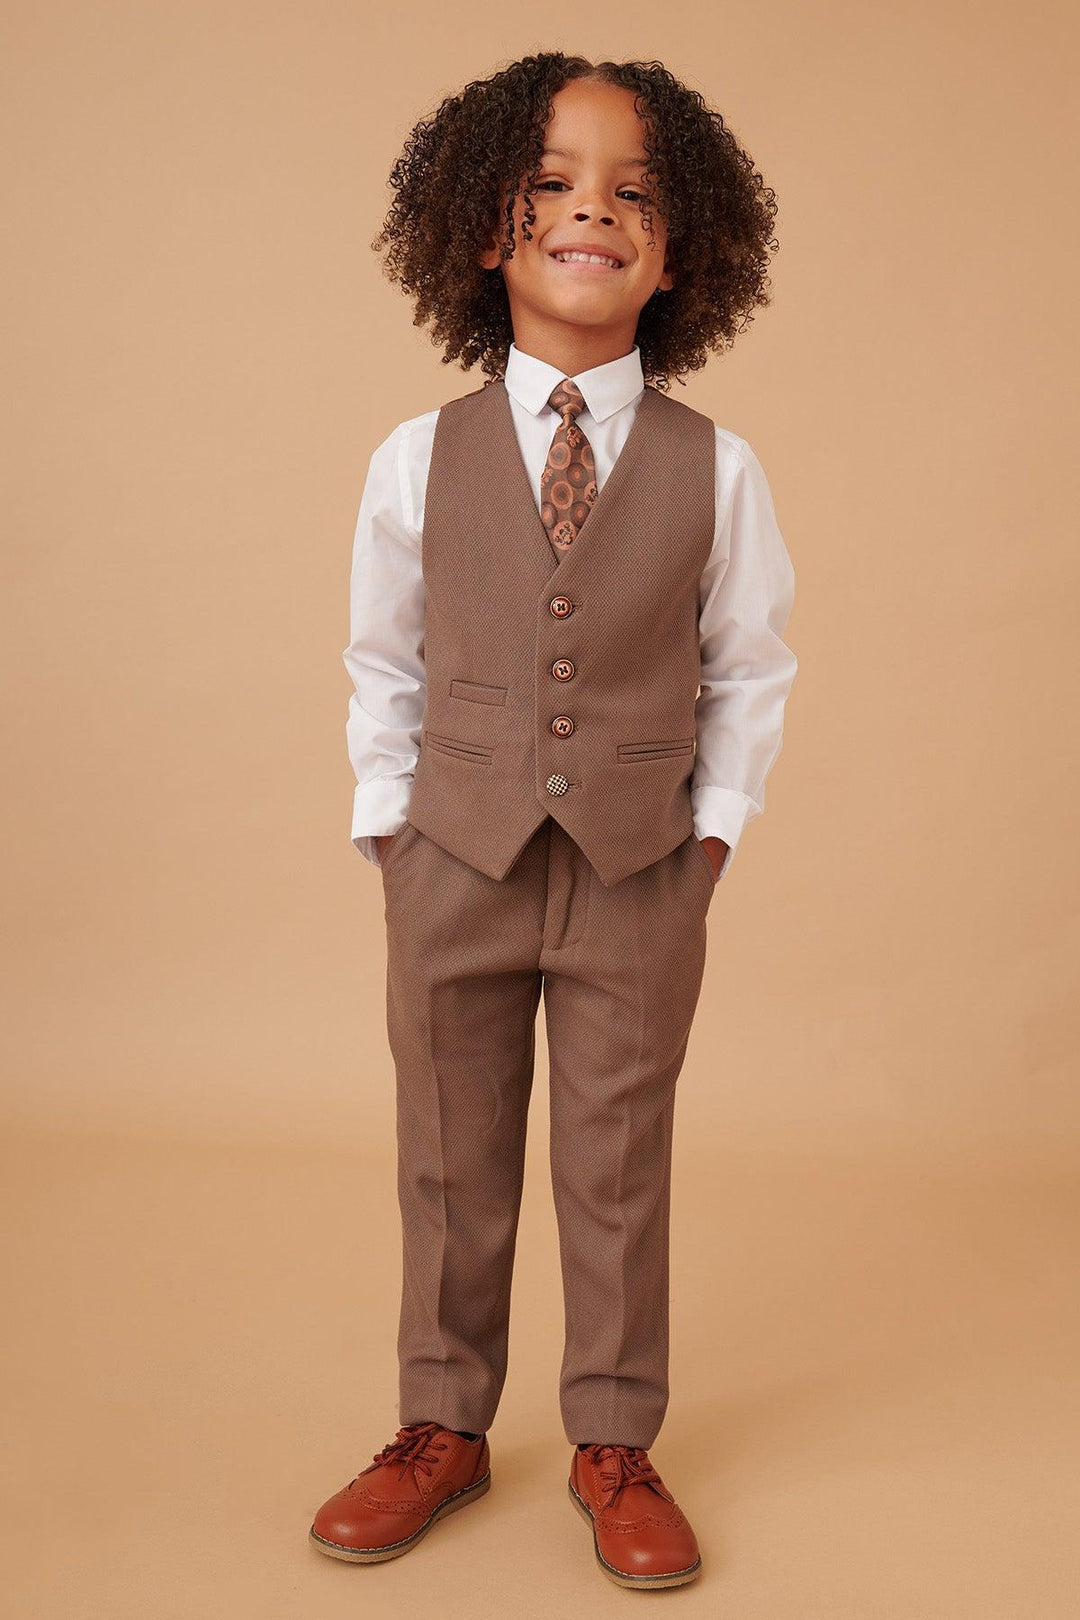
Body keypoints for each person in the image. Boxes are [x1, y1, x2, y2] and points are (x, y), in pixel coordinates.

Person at [310, 52, 797, 1590]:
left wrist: (707, 838)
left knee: (615, 1157)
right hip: (451, 852)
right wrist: (392, 833)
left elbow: (752, 665)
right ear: (481, 227)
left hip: (641, 871)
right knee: (449, 1154)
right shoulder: (414, 456)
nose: (595, 209)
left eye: (634, 191)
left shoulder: (719, 472)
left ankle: (613, 1438)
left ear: (680, 250)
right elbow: (381, 658)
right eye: (555, 183)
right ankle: (440, 1426)